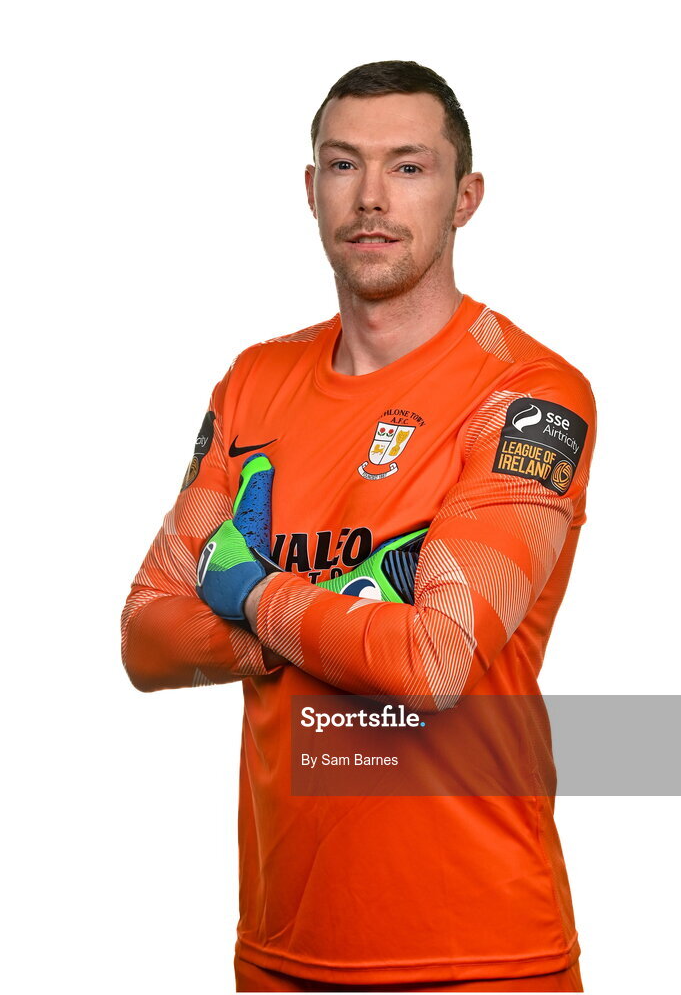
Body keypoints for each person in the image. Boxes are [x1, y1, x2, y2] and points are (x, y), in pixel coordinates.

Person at [121, 60, 595, 993]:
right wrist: (301, 633)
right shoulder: (254, 381)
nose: (371, 197)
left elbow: (435, 662)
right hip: (281, 950)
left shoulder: (529, 395)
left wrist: (252, 593)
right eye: (343, 165)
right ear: (310, 189)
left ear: (465, 197)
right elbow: (145, 635)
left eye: (408, 168)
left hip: (482, 951)